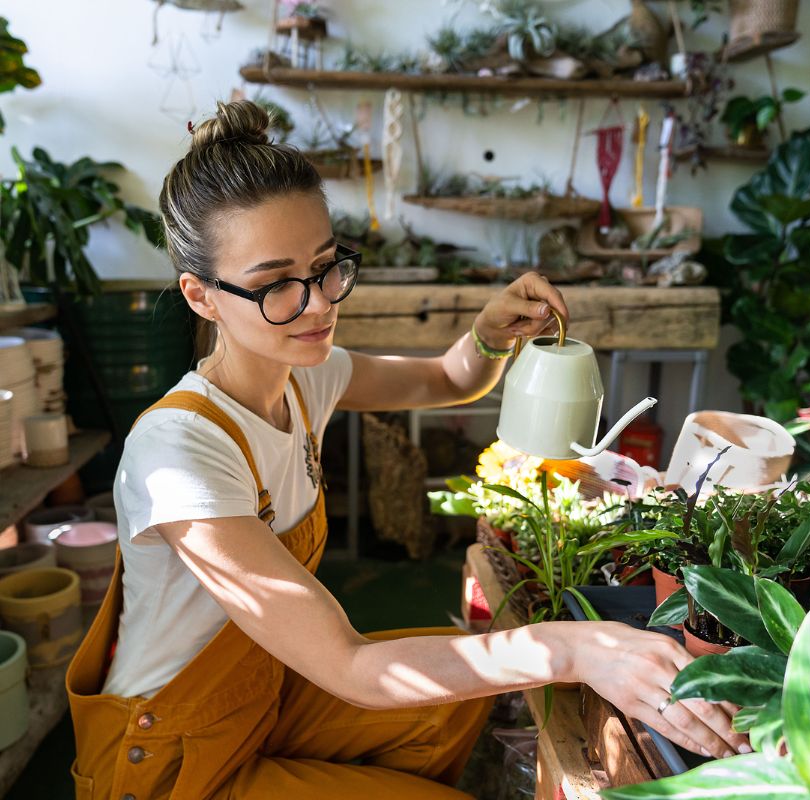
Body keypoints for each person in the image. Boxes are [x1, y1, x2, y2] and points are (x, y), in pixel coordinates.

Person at [66, 100, 748, 800]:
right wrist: (572, 649)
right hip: (174, 757)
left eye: (328, 267)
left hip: (267, 694)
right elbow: (351, 665)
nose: (319, 304)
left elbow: (448, 378)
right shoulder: (178, 452)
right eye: (276, 286)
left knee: (451, 698)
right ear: (201, 297)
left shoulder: (308, 376)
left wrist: (490, 332)